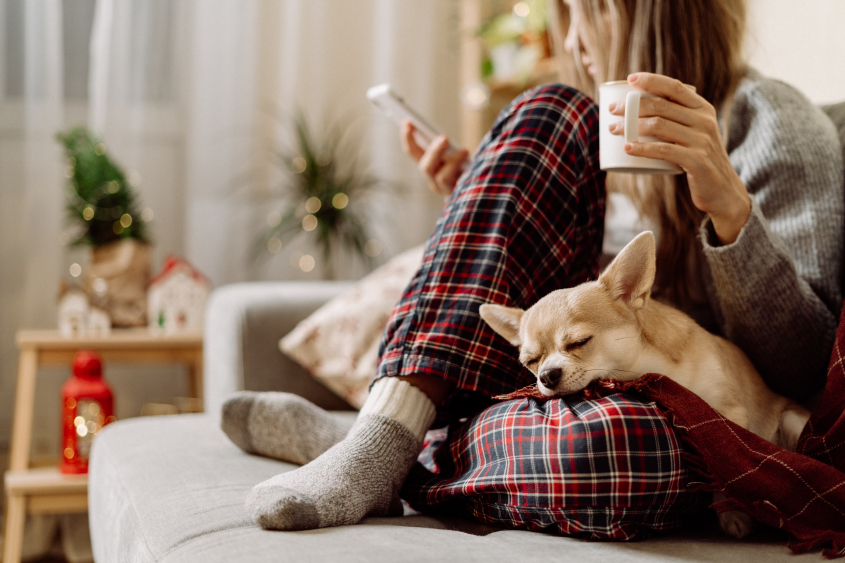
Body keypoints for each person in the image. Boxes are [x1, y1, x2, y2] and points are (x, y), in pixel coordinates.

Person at [223, 0, 844, 537]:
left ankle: (384, 452)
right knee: (548, 112)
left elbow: (805, 363)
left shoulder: (771, 122)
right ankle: (383, 438)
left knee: (608, 452)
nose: (570, 40)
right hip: (582, 383)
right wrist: (490, 195)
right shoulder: (594, 136)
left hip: (696, 423)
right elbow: (562, 315)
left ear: (662, 10)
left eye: (587, 10)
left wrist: (731, 210)